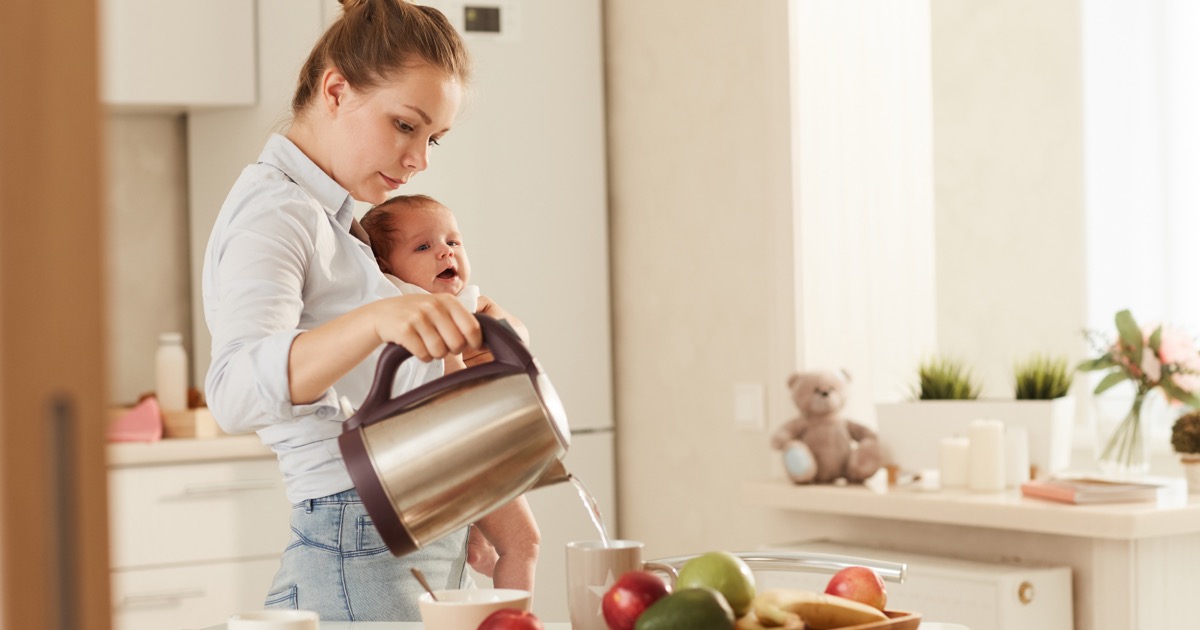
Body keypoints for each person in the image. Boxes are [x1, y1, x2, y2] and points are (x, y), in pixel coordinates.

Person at [200, 0, 539, 620]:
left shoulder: (335, 218)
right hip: (356, 539)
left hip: (402, 523)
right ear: (336, 90)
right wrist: (377, 321)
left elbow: (378, 375)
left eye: (433, 137)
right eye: (405, 126)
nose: (421, 160)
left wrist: (471, 331)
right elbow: (232, 391)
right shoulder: (276, 213)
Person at [359, 192, 538, 569]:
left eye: (453, 241)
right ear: (384, 267)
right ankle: (515, 624)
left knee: (516, 543)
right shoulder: (400, 304)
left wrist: (503, 331)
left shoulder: (466, 300)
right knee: (524, 542)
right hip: (450, 448)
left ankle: (479, 546)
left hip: (471, 444)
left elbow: (518, 335)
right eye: (423, 246)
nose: (446, 252)